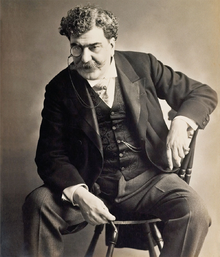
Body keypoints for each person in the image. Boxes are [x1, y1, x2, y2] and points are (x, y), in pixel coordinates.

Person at [22, 4, 218, 257]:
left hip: (149, 181)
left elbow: (201, 93)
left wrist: (181, 121)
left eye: (94, 47)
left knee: (195, 211)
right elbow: (50, 154)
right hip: (91, 185)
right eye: (76, 47)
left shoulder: (143, 65)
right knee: (38, 205)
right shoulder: (59, 88)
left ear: (112, 43)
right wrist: (80, 193)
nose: (84, 58)